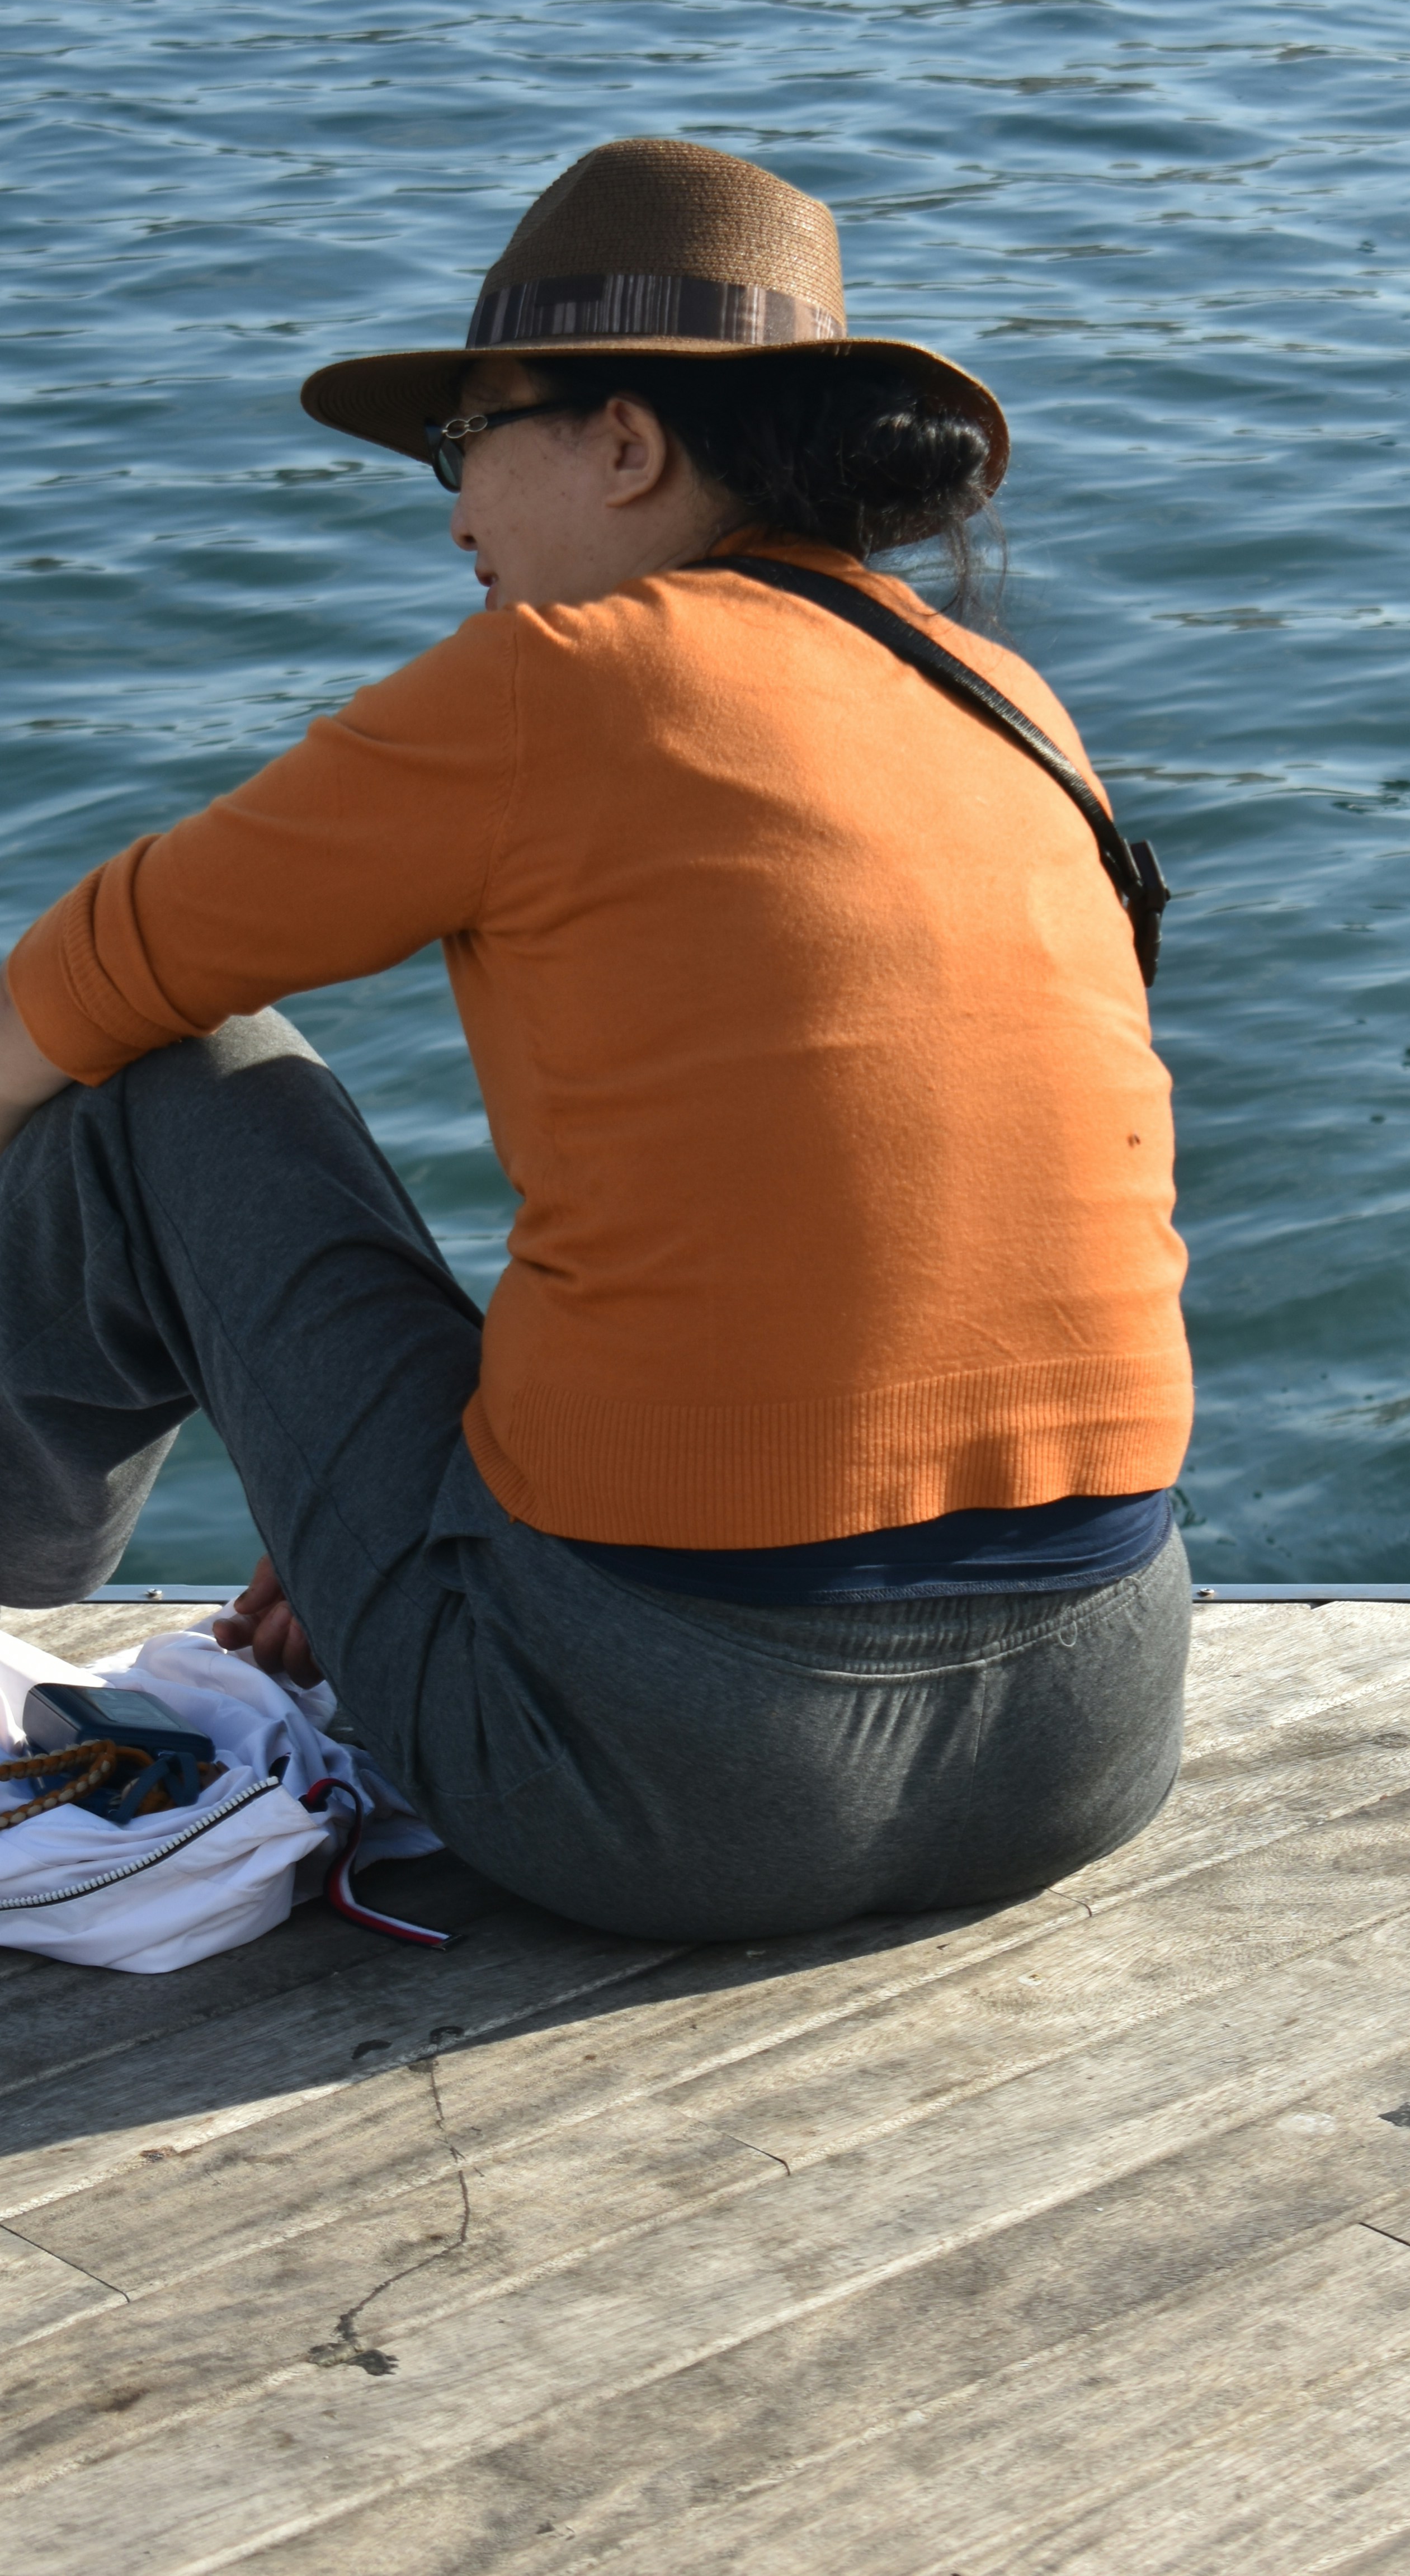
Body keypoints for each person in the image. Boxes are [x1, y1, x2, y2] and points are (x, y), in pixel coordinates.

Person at [0, 138, 1194, 1941]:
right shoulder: (1008, 701)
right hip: (1095, 1738)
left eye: (462, 443)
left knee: (168, 1079)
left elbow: (94, 974)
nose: (453, 513)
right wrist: (387, 1513)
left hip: (660, 1785)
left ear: (625, 442)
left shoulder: (567, 671)